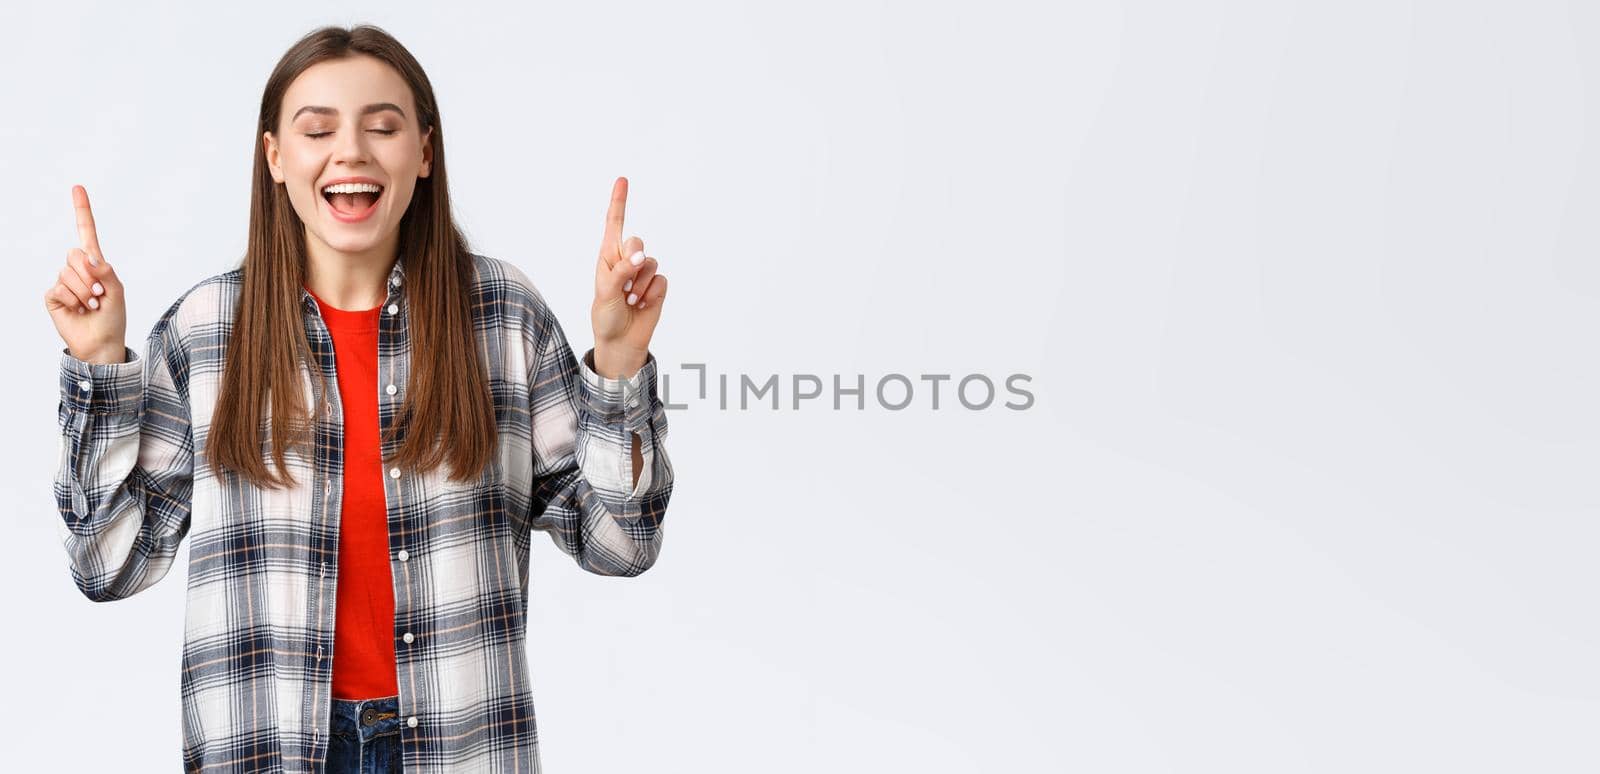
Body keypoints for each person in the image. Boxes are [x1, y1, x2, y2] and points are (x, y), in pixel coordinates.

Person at [44, 23, 674, 774]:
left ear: (425, 153)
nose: (351, 152)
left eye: (383, 126)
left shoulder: (502, 317)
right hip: (266, 748)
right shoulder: (207, 331)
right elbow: (107, 563)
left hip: (460, 746)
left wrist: (619, 364)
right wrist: (99, 368)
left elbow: (622, 543)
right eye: (318, 130)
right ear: (275, 157)